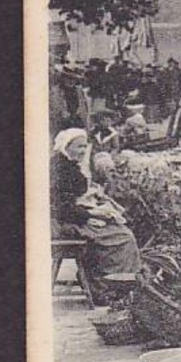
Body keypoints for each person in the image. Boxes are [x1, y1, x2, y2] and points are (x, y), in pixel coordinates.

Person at [51, 128, 143, 302]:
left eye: (85, 146)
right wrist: (93, 214)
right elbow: (62, 208)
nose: (83, 151)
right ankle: (106, 288)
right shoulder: (60, 169)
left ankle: (104, 283)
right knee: (124, 236)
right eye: (78, 147)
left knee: (118, 227)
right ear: (66, 147)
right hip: (65, 223)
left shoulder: (68, 165)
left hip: (73, 217)